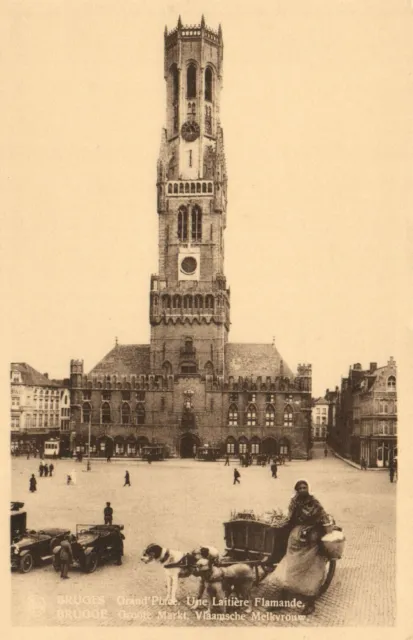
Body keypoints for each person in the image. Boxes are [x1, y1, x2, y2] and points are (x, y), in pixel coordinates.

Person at [267, 479, 333, 615]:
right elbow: (289, 519)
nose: (303, 490)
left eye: (305, 487)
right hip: (296, 540)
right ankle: (284, 597)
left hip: (311, 540)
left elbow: (324, 518)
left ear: (308, 488)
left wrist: (328, 536)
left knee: (311, 570)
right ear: (296, 491)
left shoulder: (315, 502)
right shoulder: (294, 503)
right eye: (300, 488)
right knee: (291, 567)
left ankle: (310, 602)